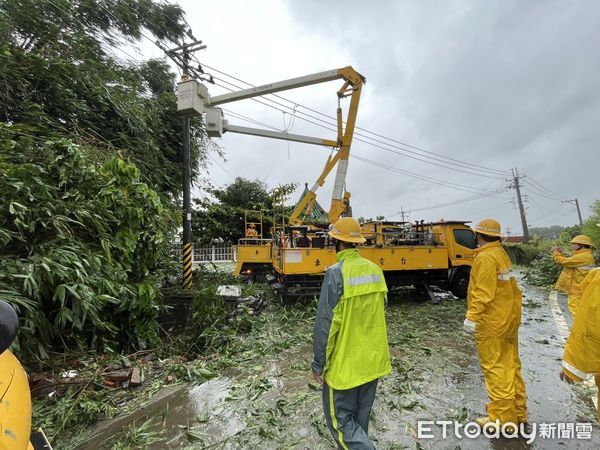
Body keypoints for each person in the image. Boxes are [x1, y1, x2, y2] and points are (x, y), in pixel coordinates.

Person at [312, 217, 391, 449]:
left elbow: (326, 325)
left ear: (336, 241)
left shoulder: (336, 273)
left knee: (342, 424)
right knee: (359, 422)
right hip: (372, 363)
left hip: (344, 369)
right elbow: (381, 311)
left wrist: (319, 364)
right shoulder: (376, 270)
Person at [463, 218, 527, 430]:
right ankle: (518, 412)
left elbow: (483, 292)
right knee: (511, 366)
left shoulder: (485, 258)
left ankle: (502, 420)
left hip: (492, 323)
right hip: (508, 319)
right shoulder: (500, 253)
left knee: (495, 369)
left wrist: (472, 318)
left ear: (478, 235)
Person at [559, 224, 600, 423]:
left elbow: (590, 327)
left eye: (575, 244)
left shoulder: (597, 279)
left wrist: (573, 367)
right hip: (577, 290)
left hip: (579, 292)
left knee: (578, 317)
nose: (573, 246)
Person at [552, 235, 595, 318]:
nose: (572, 245)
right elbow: (570, 262)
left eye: (574, 243)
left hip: (578, 289)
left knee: (576, 311)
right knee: (580, 311)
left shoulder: (583, 256)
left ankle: (579, 330)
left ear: (581, 245)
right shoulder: (585, 255)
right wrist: (561, 253)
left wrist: (556, 252)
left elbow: (562, 261)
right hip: (581, 287)